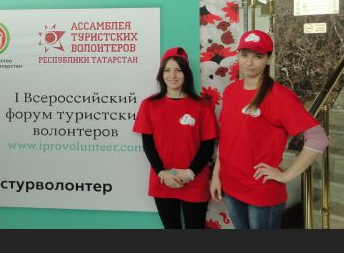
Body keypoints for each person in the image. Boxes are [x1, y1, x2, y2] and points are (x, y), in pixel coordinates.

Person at [210, 30, 329, 229]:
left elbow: (318, 138)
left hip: (261, 192)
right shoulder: (231, 91)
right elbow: (227, 139)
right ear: (238, 55)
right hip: (230, 187)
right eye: (244, 55)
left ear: (268, 59)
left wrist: (285, 175)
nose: (249, 62)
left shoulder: (279, 96)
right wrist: (216, 176)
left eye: (257, 56)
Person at [133, 47, 218, 229]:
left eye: (178, 70)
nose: (172, 75)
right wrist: (162, 173)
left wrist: (190, 173)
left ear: (186, 73)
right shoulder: (149, 105)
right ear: (161, 74)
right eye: (167, 70)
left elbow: (207, 146)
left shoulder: (202, 106)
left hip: (195, 180)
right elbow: (148, 145)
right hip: (163, 180)